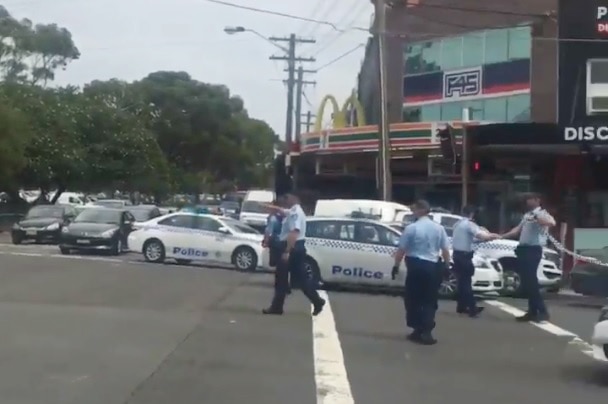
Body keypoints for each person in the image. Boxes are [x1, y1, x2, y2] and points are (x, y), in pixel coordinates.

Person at [391, 200, 450, 345]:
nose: (412, 211)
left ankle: (417, 327)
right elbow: (445, 250)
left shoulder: (412, 228)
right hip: (432, 266)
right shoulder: (439, 228)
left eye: (414, 209)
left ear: (420, 210)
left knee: (413, 298)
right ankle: (426, 330)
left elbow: (401, 250)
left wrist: (396, 266)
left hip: (415, 265)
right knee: (429, 299)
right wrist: (447, 267)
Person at [263, 193, 326, 316]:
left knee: (282, 278)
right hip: (296, 248)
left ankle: (277, 307)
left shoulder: (296, 213)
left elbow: (294, 232)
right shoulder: (294, 211)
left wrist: (287, 251)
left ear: (294, 199)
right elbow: (283, 211)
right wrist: (270, 208)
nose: (285, 201)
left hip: (293, 247)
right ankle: (317, 301)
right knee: (300, 279)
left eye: (287, 198)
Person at [500, 192, 556, 322]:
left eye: (529, 199)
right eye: (526, 200)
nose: (527, 202)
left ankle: (542, 311)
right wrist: (501, 236)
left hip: (533, 249)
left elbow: (551, 222)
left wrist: (537, 219)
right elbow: (517, 230)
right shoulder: (527, 215)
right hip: (523, 249)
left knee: (531, 281)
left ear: (537, 200)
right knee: (526, 281)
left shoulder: (541, 213)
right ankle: (532, 311)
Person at [452, 205, 500, 317]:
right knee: (466, 282)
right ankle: (472, 308)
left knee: (461, 282)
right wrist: (492, 236)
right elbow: (482, 236)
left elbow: (470, 239)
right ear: (472, 213)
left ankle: (461, 306)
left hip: (457, 255)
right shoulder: (470, 224)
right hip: (465, 256)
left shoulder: (457, 224)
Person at [262, 197, 290, 294]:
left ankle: (280, 285)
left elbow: (268, 231)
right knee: (284, 266)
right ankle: (285, 285)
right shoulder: (284, 216)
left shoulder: (273, 218)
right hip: (285, 242)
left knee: (278, 266)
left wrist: (265, 241)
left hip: (276, 243)